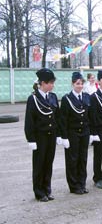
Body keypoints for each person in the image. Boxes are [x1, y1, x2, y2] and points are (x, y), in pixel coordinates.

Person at [24, 68, 60, 202]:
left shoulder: (53, 96)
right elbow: (29, 120)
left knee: (48, 164)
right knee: (39, 165)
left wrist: (59, 135)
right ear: (42, 83)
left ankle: (47, 189)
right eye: (50, 83)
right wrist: (31, 139)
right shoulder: (33, 98)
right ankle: (39, 192)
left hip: (51, 135)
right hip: (40, 137)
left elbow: (57, 117)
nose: (52, 85)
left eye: (53, 82)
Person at [59, 72, 90, 195]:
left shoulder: (86, 97)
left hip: (85, 133)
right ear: (72, 84)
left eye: (82, 83)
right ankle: (73, 185)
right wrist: (64, 136)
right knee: (72, 160)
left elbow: (89, 116)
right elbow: (63, 119)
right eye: (78, 83)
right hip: (72, 133)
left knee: (83, 159)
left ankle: (82, 184)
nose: (80, 86)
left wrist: (91, 133)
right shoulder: (67, 99)